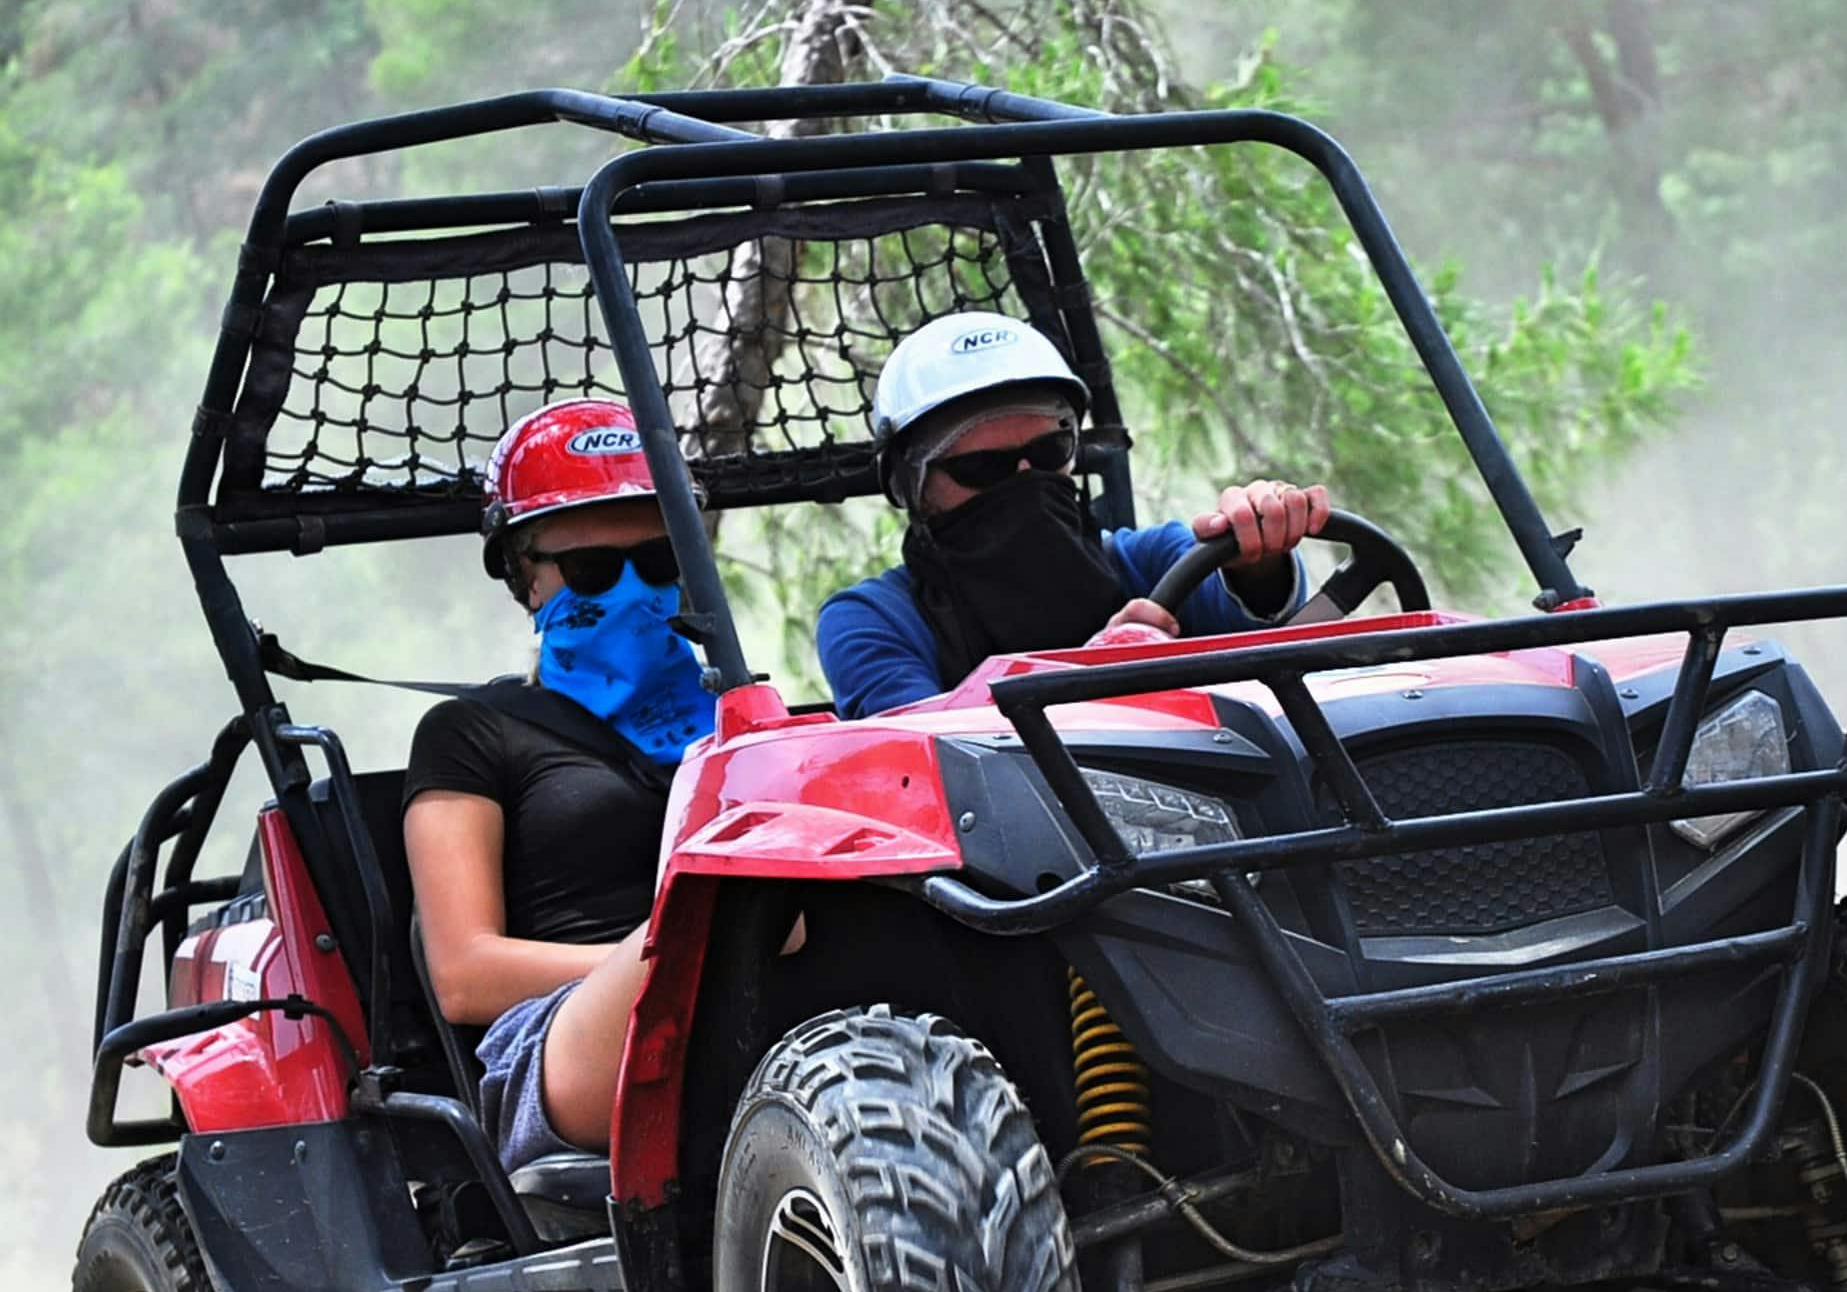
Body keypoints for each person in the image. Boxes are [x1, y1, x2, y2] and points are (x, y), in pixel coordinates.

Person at [402, 399, 716, 1164]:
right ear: (527, 579)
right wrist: (676, 952)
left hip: (742, 993)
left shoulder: (735, 713)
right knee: (739, 903)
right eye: (594, 571)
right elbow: (465, 975)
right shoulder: (470, 734)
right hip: (559, 1038)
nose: (633, 590)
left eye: (658, 561)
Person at [816, 312, 1329, 716]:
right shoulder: (873, 620)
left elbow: (1250, 613)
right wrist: (1083, 673)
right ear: (912, 486)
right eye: (981, 466)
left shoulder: (1150, 563)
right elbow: (919, 749)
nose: (1025, 481)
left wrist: (1259, 551)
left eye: (1049, 452)